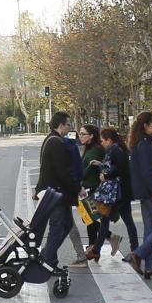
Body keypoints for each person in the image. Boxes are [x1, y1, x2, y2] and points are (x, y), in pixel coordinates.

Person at [123, 112, 152, 280]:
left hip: (145, 192)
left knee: (150, 229)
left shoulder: (142, 143)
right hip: (149, 192)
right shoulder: (144, 145)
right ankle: (137, 255)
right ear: (145, 126)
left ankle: (151, 267)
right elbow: (146, 172)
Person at [31, 112, 79, 267]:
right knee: (58, 227)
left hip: (57, 192)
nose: (69, 128)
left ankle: (46, 255)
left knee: (65, 225)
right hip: (56, 193)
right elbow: (62, 171)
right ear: (61, 125)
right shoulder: (56, 143)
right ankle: (49, 260)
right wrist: (77, 188)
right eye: (68, 124)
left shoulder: (51, 140)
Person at [89, 126, 137, 259]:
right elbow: (114, 166)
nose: (102, 143)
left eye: (103, 141)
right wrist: (101, 164)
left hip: (118, 193)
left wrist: (106, 175)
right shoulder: (116, 149)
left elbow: (120, 169)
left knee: (110, 220)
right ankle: (135, 250)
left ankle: (97, 250)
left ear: (109, 140)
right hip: (119, 193)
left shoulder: (116, 151)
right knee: (113, 220)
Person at [77, 124, 105, 261]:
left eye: (83, 134)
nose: (80, 136)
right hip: (88, 188)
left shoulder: (95, 150)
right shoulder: (89, 148)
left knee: (90, 218)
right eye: (80, 133)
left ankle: (95, 246)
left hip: (93, 189)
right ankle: (94, 247)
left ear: (92, 136)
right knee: (89, 219)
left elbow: (89, 169)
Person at [60, 130, 89, 265]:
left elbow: (66, 171)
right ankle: (81, 254)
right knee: (67, 222)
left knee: (64, 224)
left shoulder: (63, 145)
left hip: (63, 190)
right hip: (70, 189)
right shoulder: (72, 146)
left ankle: (48, 255)